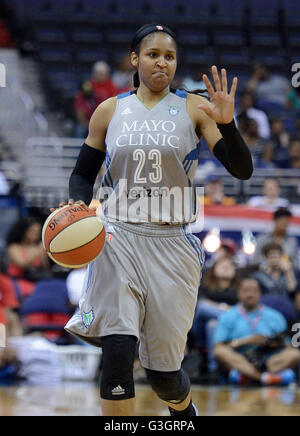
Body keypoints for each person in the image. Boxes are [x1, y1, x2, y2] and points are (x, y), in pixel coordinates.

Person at [54, 23, 253, 417]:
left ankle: (183, 412)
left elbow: (241, 169)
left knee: (163, 374)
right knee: (117, 349)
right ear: (134, 59)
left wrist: (228, 125)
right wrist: (78, 207)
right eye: (152, 54)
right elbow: (82, 173)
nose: (162, 62)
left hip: (172, 243)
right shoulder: (109, 109)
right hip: (118, 236)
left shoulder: (195, 107)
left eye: (169, 56)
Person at [214, 278, 300, 385]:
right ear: (239, 294)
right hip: (241, 357)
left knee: (295, 353)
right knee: (220, 352)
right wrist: (245, 341)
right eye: (246, 291)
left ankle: (248, 377)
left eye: (254, 291)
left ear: (260, 294)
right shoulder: (228, 316)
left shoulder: (275, 316)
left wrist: (271, 342)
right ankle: (263, 378)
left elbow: (287, 345)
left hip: (269, 359)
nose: (250, 294)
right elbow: (218, 346)